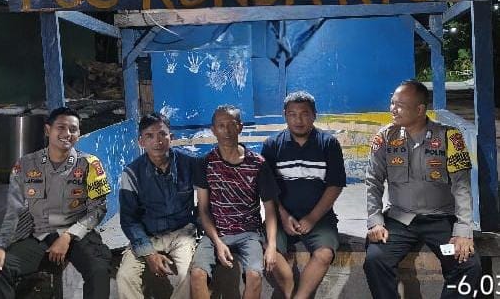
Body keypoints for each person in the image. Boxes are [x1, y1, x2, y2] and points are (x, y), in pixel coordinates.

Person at [363, 80, 481, 298]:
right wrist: (375, 221)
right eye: (392, 103)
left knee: (468, 265)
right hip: (399, 221)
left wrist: (463, 231)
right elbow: (373, 181)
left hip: (441, 222)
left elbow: (462, 186)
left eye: (400, 105)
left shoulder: (449, 137)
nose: (392, 109)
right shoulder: (385, 137)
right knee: (375, 260)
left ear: (419, 110)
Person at [0, 107, 112, 299]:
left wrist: (67, 236)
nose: (67, 134)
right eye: (61, 127)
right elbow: (14, 212)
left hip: (78, 234)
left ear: (79, 133)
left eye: (73, 129)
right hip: (39, 236)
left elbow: (99, 208)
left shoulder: (90, 164)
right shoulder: (25, 165)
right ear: (47, 130)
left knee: (99, 269)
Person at [261, 91, 346, 299]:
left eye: (305, 114)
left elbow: (335, 185)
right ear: (285, 115)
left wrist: (312, 218)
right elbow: (267, 189)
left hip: (319, 217)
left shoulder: (328, 144)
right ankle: (290, 291)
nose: (298, 120)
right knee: (269, 250)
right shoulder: (272, 145)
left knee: (324, 254)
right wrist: (283, 215)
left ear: (314, 115)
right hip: (281, 217)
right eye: (292, 114)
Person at [190, 105, 279, 299]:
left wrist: (271, 245)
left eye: (232, 125)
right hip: (216, 232)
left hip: (249, 233)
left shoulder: (258, 164)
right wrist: (217, 242)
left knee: (255, 276)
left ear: (240, 127)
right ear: (213, 130)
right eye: (221, 126)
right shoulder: (205, 163)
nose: (227, 131)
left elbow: (270, 210)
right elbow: (203, 210)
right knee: (197, 275)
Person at [116, 112, 201, 299]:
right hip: (148, 235)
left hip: (182, 234)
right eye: (149, 136)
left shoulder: (190, 164)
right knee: (124, 277)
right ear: (141, 142)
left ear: (172, 137)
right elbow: (129, 220)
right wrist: (148, 253)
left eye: (162, 134)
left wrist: (197, 224)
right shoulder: (131, 173)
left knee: (187, 275)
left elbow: (207, 201)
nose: (157, 141)